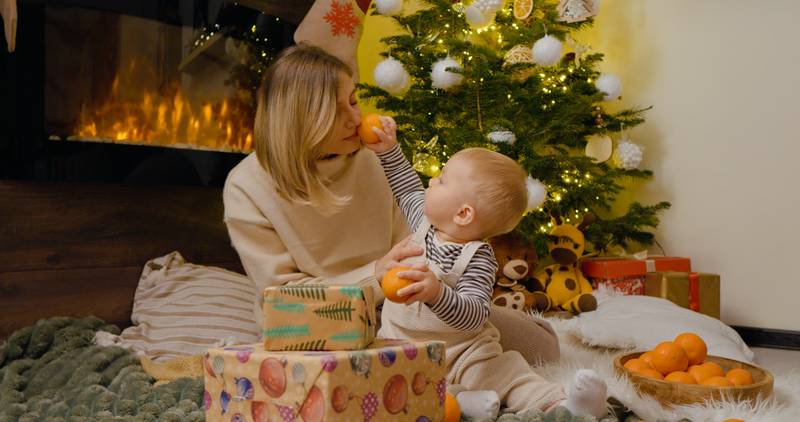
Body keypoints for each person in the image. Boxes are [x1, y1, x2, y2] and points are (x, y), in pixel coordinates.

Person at [222, 43, 560, 368]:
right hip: (321, 317)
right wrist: (375, 276)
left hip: (402, 301)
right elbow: (282, 296)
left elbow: (419, 233)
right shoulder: (246, 186)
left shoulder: (371, 158)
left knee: (542, 344)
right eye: (337, 111)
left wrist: (436, 291)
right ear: (301, 120)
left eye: (354, 101)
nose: (356, 118)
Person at [362, 116, 609, 419]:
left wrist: (437, 293)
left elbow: (475, 314)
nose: (431, 181)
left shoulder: (477, 258)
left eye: (442, 179)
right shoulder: (422, 223)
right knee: (395, 380)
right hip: (401, 344)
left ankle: (564, 403)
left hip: (463, 351)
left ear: (463, 213)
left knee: (506, 372)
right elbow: (406, 188)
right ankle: (465, 401)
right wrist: (389, 150)